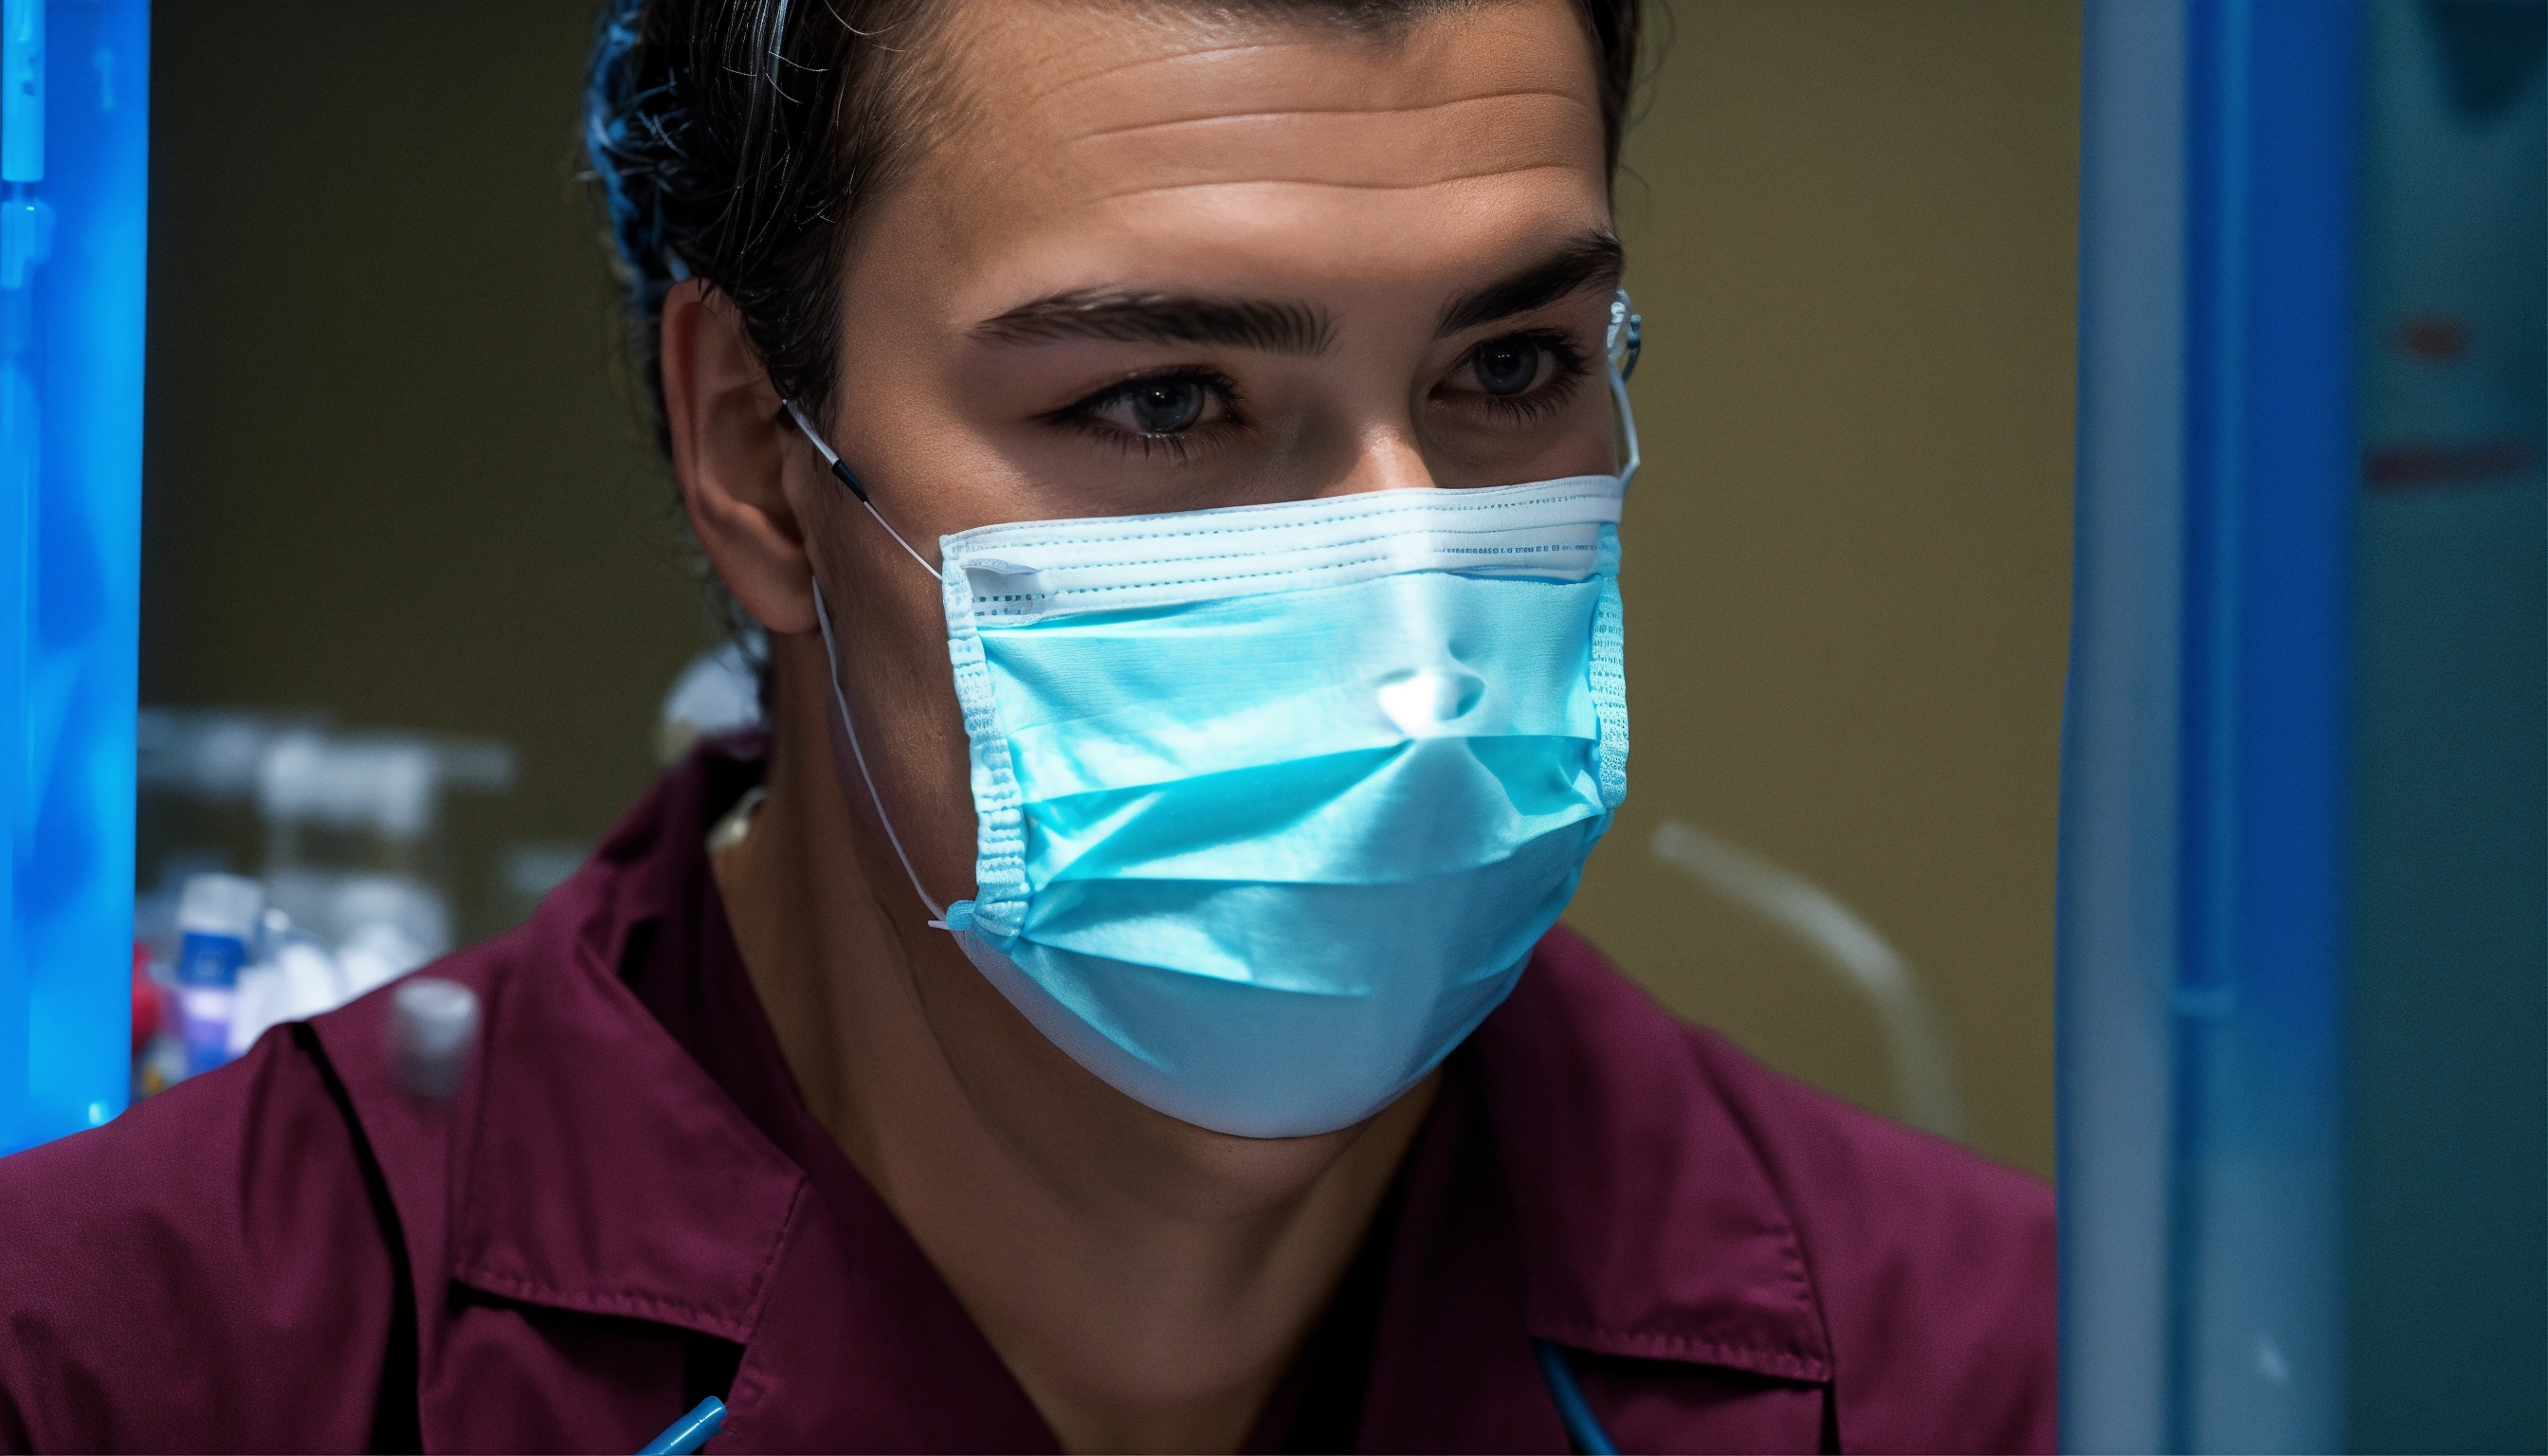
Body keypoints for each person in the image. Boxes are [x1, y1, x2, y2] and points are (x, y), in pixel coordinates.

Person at [0, 1, 2054, 1450]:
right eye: (1164, 399)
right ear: (757, 450)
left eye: (1510, 367)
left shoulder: (1997, 1377)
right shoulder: (147, 1371)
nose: (1420, 647)